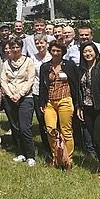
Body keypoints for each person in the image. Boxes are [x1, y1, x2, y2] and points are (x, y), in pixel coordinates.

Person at [77, 41, 100, 181]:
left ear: (96, 53)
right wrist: (79, 106)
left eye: (90, 51)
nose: (88, 54)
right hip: (87, 109)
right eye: (85, 52)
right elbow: (78, 90)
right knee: (94, 139)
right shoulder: (81, 70)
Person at [39, 40, 79, 169]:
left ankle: (68, 159)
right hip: (50, 102)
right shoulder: (45, 67)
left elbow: (76, 85)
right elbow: (42, 86)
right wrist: (42, 102)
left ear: (63, 52)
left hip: (65, 100)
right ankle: (56, 158)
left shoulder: (69, 65)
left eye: (58, 51)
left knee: (66, 131)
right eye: (53, 50)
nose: (55, 53)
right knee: (50, 130)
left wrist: (77, 103)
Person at [0, 38, 36, 167]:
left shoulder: (28, 62)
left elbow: (30, 80)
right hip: (10, 98)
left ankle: (31, 155)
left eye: (17, 47)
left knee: (24, 127)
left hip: (25, 98)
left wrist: (19, 94)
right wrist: (10, 95)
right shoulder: (6, 63)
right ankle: (21, 153)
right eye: (12, 47)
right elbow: (3, 80)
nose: (15, 50)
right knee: (15, 127)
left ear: (21, 48)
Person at [31, 34, 51, 155]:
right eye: (37, 43)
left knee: (52, 121)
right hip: (37, 92)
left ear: (46, 43)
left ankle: (57, 144)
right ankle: (46, 146)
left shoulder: (52, 56)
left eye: (41, 43)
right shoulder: (33, 58)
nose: (39, 45)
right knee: (41, 120)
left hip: (51, 93)